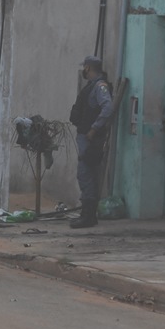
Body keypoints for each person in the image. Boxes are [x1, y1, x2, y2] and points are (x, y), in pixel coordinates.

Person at [68, 55, 113, 228]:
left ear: (87, 68)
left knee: (85, 174)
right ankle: (87, 215)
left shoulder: (100, 86)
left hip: (90, 138)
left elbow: (108, 107)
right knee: (87, 174)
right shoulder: (92, 86)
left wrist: (94, 129)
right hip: (86, 136)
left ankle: (88, 217)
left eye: (84, 68)